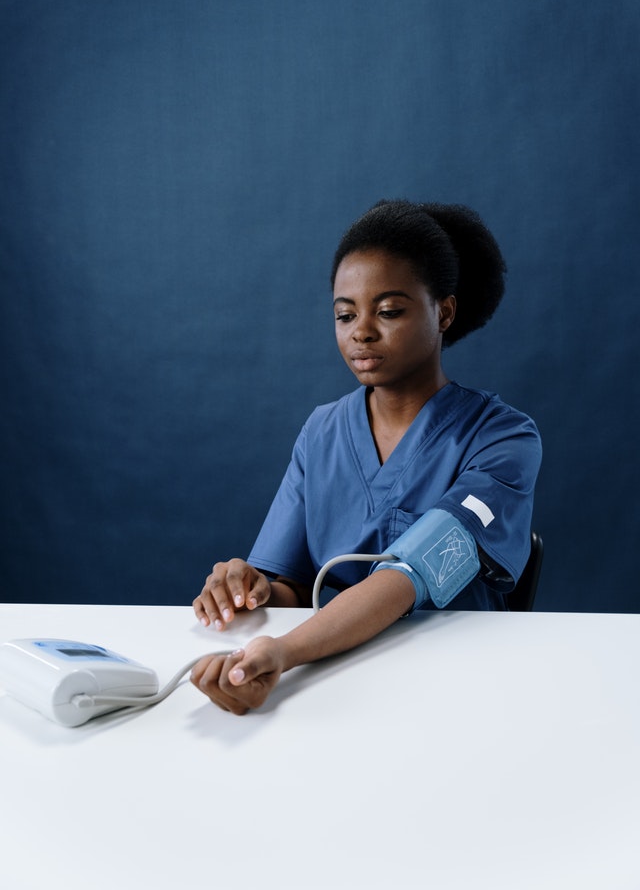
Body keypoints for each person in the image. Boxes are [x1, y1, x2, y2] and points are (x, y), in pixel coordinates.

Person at [191, 199, 542, 714]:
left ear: (443, 311)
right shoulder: (321, 432)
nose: (362, 331)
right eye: (345, 314)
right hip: (332, 677)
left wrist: (285, 651)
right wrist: (250, 590)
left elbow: (407, 575)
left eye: (389, 311)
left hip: (457, 685)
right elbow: (288, 585)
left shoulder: (503, 438)